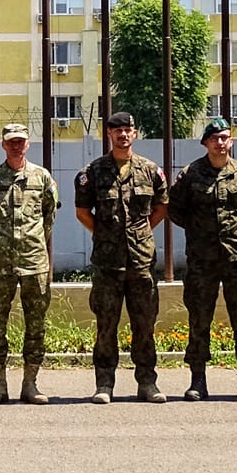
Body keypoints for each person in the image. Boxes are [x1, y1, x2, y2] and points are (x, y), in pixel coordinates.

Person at [169, 117, 237, 402]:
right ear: (205, 143)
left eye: (224, 137)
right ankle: (198, 380)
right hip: (202, 260)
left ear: (231, 141)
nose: (220, 142)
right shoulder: (190, 174)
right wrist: (199, 232)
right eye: (214, 138)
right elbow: (175, 209)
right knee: (199, 319)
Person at [74, 110, 170, 403]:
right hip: (107, 264)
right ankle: (104, 384)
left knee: (144, 325)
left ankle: (147, 383)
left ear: (135, 133)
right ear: (109, 134)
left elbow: (161, 207)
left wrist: (141, 232)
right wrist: (104, 234)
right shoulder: (92, 172)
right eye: (117, 130)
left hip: (141, 262)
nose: (123, 135)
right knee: (106, 325)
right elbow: (82, 212)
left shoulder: (150, 170)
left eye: (128, 130)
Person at [0, 121, 60, 405]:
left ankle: (30, 384)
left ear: (28, 144)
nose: (16, 146)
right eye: (11, 141)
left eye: (20, 141)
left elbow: (49, 216)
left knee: (36, 324)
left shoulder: (42, 177)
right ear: (3, 144)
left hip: (34, 262)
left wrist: (33, 243)